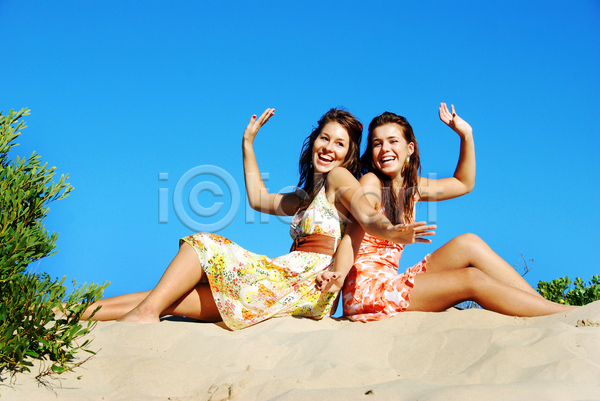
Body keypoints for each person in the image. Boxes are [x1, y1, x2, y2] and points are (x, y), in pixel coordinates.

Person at [82, 108, 433, 330]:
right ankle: (71, 313)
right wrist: (248, 144)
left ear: (348, 155)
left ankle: (144, 314)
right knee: (170, 297)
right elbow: (258, 199)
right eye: (324, 138)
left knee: (204, 243)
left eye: (339, 144)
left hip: (309, 282)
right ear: (313, 142)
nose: (329, 147)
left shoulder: (341, 179)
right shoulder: (306, 196)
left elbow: (368, 217)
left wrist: (392, 231)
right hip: (282, 278)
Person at [316, 103, 574, 320]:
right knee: (470, 278)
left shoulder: (412, 187)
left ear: (409, 149)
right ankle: (563, 315)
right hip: (366, 291)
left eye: (393, 141)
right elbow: (357, 231)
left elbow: (463, 183)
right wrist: (390, 232)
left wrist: (466, 135)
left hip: (391, 280)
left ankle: (550, 308)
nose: (385, 149)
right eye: (377, 143)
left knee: (469, 243)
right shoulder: (371, 182)